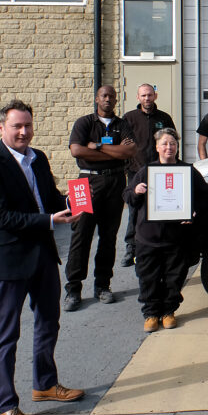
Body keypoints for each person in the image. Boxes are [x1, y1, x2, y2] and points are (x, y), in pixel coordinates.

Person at [0, 100, 85, 415]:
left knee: (49, 322)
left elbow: (50, 200)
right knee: (6, 335)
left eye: (28, 125)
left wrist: (74, 201)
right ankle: (4, 408)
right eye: (17, 126)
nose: (24, 132)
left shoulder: (38, 159)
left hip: (43, 257)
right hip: (8, 261)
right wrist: (50, 219)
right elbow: (0, 217)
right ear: (1, 128)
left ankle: (45, 384)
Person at [124, 128, 208, 332]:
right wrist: (136, 191)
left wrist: (194, 211)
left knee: (174, 277)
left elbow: (205, 195)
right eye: (164, 143)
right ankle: (151, 314)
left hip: (176, 237)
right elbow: (127, 196)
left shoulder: (187, 171)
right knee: (148, 278)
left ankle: (168, 311)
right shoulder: (146, 171)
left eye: (172, 143)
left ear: (177, 146)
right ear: (156, 147)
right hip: (148, 237)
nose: (169, 147)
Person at [66, 85, 136, 311]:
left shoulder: (122, 124)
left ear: (116, 100)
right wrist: (113, 148)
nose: (108, 99)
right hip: (83, 183)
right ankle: (73, 289)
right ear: (97, 98)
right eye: (104, 96)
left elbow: (128, 152)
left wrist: (97, 146)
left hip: (115, 182)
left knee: (108, 236)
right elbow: (76, 150)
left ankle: (102, 285)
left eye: (112, 96)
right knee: (80, 236)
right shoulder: (84, 123)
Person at [121, 83, 176, 268]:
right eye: (143, 95)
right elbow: (123, 145)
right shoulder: (129, 118)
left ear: (155, 96)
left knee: (161, 206)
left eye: (150, 95)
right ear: (138, 97)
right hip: (136, 171)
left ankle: (160, 243)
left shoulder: (164, 118)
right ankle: (131, 247)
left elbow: (173, 140)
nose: (147, 98)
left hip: (160, 171)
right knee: (134, 208)